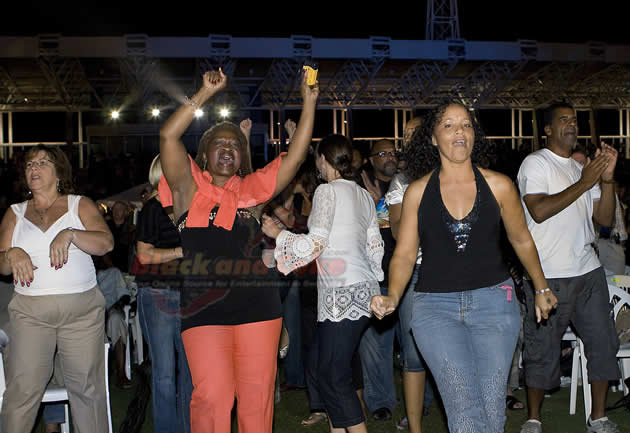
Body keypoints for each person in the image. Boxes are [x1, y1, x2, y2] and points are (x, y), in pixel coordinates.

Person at [371, 102, 552, 433]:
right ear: (432, 138)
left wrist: (541, 287)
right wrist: (393, 295)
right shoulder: (417, 192)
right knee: (463, 410)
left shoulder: (499, 185)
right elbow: (405, 254)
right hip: (435, 310)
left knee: (492, 412)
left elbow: (521, 239)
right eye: (449, 125)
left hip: (494, 305)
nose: (459, 131)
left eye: (466, 125)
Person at [159, 68, 318, 433]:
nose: (228, 148)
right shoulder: (185, 187)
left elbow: (295, 158)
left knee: (256, 401)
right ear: (203, 154)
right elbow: (168, 135)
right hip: (204, 311)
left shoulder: (252, 194)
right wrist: (204, 93)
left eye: (235, 145)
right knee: (212, 398)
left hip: (258, 308)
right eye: (220, 143)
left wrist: (309, 103)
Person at [262, 133, 384, 433]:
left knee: (334, 376)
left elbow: (315, 244)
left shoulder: (327, 192)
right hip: (363, 291)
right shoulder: (363, 195)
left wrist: (278, 234)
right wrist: (374, 283)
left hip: (343, 294)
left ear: (322, 160)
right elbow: (375, 246)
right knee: (323, 369)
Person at [517, 102, 621, 433]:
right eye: (564, 120)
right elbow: (539, 211)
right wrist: (586, 181)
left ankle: (598, 418)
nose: (572, 124)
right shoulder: (536, 163)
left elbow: (604, 220)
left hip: (588, 271)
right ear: (548, 129)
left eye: (574, 120)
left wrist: (606, 180)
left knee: (603, 344)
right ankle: (534, 419)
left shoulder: (580, 170)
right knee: (541, 350)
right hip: (548, 274)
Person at [0, 144, 113, 433]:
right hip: (30, 314)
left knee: (87, 390)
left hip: (82, 313)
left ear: (59, 172)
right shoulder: (14, 212)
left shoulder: (79, 204)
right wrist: (12, 254)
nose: (33, 168)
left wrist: (71, 234)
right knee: (22, 390)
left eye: (42, 163)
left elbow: (105, 243)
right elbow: (2, 266)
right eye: (29, 164)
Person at [133, 154, 193, 433]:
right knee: (165, 372)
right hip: (158, 293)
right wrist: (181, 251)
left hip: (189, 294)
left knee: (190, 372)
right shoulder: (152, 209)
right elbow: (144, 255)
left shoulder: (189, 206)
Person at [384, 116, 435, 433]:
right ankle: (415, 425)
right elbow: (398, 230)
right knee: (414, 352)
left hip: (451, 272)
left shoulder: (450, 172)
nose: (408, 138)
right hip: (415, 272)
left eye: (414, 132)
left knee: (450, 351)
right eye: (405, 134)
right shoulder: (401, 181)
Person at [358, 139, 399, 421]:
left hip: (408, 273)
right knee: (376, 345)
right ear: (371, 160)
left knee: (415, 343)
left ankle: (422, 399)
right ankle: (381, 401)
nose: (390, 157)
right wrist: (373, 204)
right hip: (375, 275)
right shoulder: (359, 189)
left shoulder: (406, 184)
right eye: (383, 153)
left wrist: (380, 203)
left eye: (393, 152)